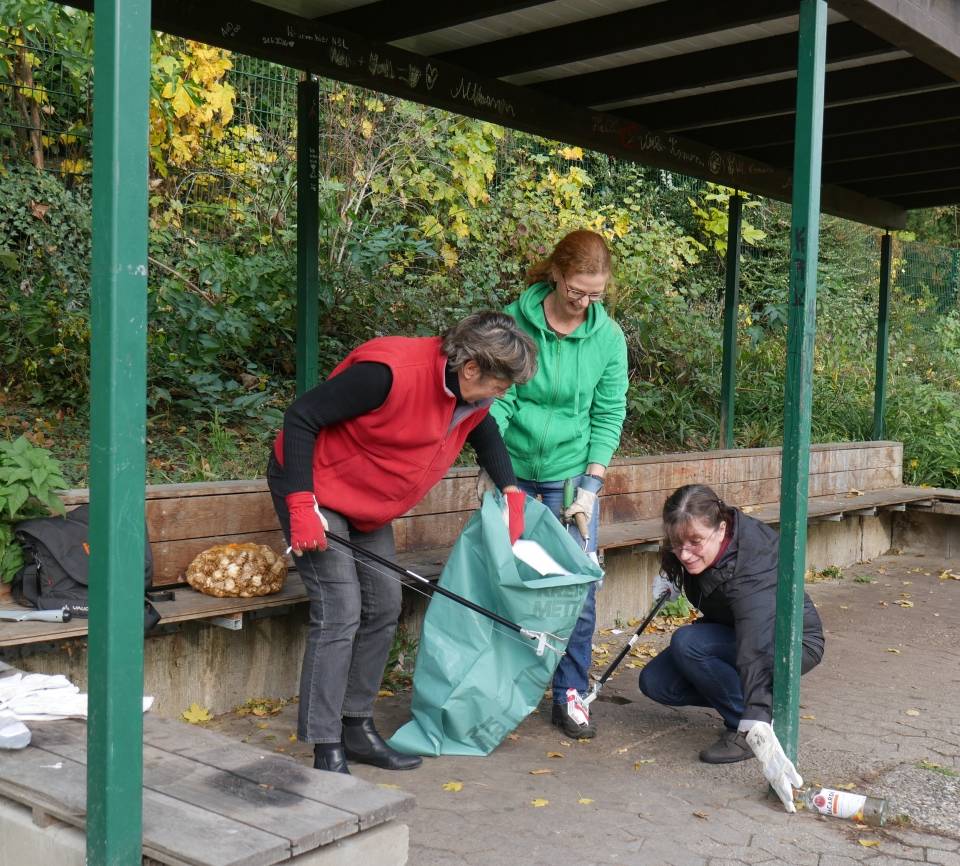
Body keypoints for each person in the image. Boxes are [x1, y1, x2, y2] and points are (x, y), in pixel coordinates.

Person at [267, 311, 537, 774]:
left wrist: (511, 490)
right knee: (340, 610)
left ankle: (356, 726)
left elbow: (485, 433)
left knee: (385, 605)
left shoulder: (469, 398)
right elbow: (302, 417)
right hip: (318, 491)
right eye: (501, 383)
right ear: (471, 367)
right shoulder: (388, 374)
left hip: (370, 503)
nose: (503, 393)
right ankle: (325, 744)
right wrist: (299, 502)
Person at [489, 229, 628, 739]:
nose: (585, 302)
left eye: (596, 293)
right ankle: (504, 691)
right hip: (514, 472)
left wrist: (592, 484)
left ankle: (569, 693)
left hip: (572, 480)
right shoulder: (514, 322)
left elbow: (608, 413)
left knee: (578, 589)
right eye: (577, 290)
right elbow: (498, 397)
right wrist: (496, 463)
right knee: (507, 581)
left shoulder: (608, 339)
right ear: (556, 274)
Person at [640, 484, 825, 809]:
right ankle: (762, 703)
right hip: (734, 632)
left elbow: (754, 645)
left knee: (688, 643)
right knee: (657, 683)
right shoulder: (705, 541)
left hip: (790, 643)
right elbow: (691, 563)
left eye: (694, 543)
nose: (684, 554)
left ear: (721, 527)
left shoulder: (754, 560)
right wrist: (672, 578)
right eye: (676, 544)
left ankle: (749, 727)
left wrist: (755, 716)